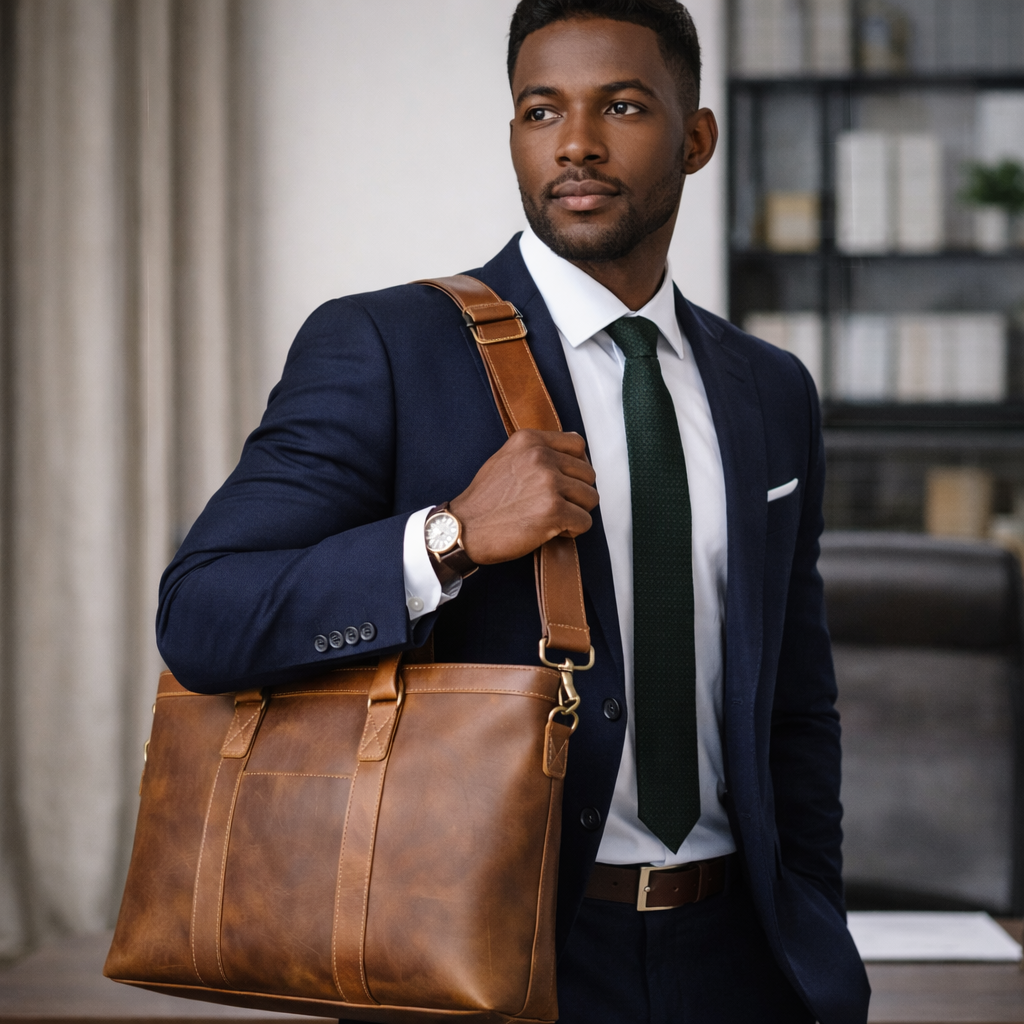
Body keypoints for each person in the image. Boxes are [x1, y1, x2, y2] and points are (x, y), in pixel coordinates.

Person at [157, 1, 871, 1021]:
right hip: (498, 951)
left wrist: (815, 931)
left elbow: (795, 702)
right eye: (541, 112)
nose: (575, 144)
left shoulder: (770, 391)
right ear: (513, 136)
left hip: (739, 957)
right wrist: (446, 539)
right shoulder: (385, 347)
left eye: (620, 106)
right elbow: (202, 619)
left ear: (696, 137)